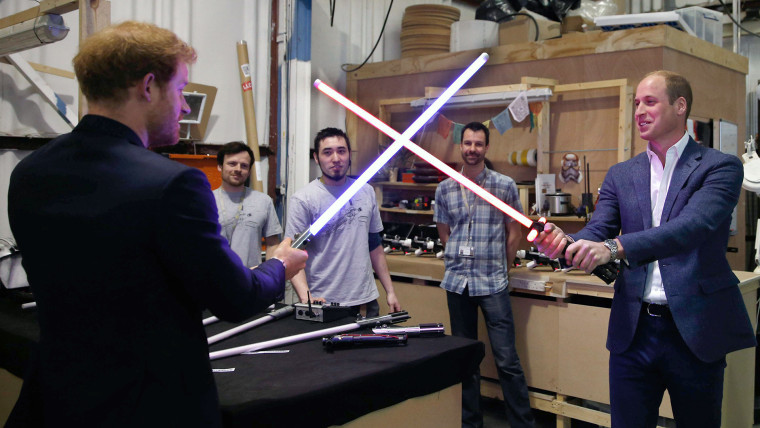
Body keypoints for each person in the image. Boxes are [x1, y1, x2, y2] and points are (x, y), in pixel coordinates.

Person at [6, 21, 307, 427]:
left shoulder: (30, 173)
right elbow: (235, 299)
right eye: (181, 90)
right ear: (148, 86)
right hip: (149, 404)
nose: (184, 107)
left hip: (58, 398)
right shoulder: (173, 183)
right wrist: (280, 265)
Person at [532, 70, 756, 427]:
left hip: (694, 332)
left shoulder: (720, 167)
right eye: (636, 102)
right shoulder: (622, 174)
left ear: (680, 106)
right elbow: (598, 229)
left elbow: (691, 228)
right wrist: (565, 244)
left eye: (649, 101)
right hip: (633, 333)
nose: (639, 110)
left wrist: (614, 248)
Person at [434, 122, 534, 428]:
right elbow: (443, 229)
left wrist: (501, 266)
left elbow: (513, 232)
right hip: (457, 282)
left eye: (478, 144)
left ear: (486, 148)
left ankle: (522, 423)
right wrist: (455, 256)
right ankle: (470, 423)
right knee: (465, 359)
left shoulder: (503, 185)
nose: (472, 149)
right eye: (467, 143)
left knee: (507, 360)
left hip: (492, 283)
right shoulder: (445, 187)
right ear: (460, 146)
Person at [285, 127, 401, 317]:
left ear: (349, 154)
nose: (336, 158)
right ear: (316, 158)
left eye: (341, 151)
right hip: (323, 301)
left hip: (365, 300)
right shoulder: (304, 199)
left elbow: (375, 246)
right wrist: (307, 299)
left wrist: (390, 291)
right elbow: (294, 254)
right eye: (327, 152)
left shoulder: (366, 192)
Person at [214, 142, 282, 267]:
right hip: (212, 282)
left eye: (244, 166)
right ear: (220, 166)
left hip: (250, 280)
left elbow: (272, 244)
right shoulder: (204, 201)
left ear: (249, 171)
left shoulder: (263, 201)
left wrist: (268, 275)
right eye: (232, 164)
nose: (238, 169)